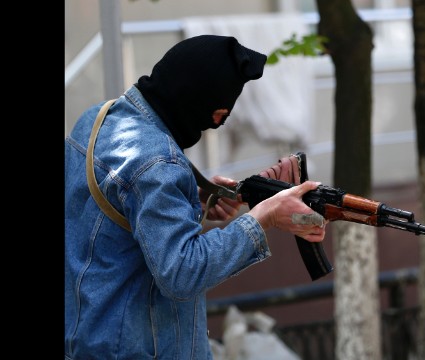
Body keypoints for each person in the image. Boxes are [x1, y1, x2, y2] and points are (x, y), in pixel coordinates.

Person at [65, 35, 326, 360]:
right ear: (192, 99)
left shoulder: (97, 121)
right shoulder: (157, 163)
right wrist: (264, 217)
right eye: (217, 115)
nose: (212, 126)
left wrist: (190, 199)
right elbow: (182, 273)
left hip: (84, 340)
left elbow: (111, 220)